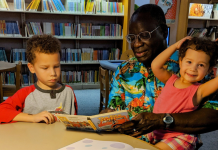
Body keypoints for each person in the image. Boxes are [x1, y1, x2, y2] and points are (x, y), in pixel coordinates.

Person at [103, 4, 218, 150]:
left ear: (164, 32)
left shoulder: (191, 69)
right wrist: (107, 118)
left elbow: (214, 116)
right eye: (132, 38)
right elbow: (115, 110)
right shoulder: (123, 71)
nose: (136, 44)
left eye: (145, 35)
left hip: (175, 142)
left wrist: (164, 120)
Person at [150, 37, 218, 149]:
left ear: (209, 70)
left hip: (180, 137)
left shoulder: (200, 90)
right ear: (181, 61)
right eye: (189, 62)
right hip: (157, 133)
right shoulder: (170, 79)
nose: (193, 68)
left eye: (201, 65)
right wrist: (175, 46)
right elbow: (155, 65)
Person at [0, 35, 78, 124]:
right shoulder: (25, 93)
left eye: (56, 66)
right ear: (32, 68)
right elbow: (1, 112)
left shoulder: (69, 92)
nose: (53, 73)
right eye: (45, 68)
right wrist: (32, 118)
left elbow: (74, 121)